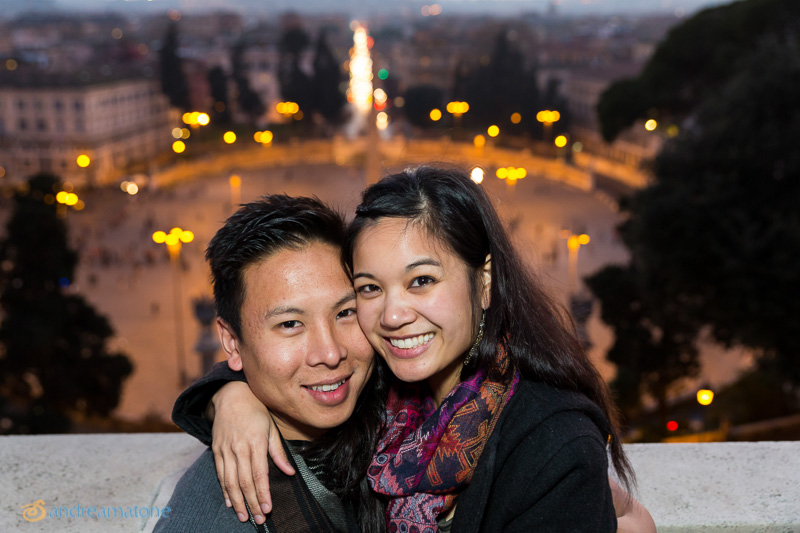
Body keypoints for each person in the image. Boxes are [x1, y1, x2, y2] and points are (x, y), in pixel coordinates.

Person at [177, 166, 656, 532]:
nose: (392, 315)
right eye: (369, 290)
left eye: (422, 280)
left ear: (483, 280)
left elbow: (614, 502)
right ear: (232, 342)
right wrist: (228, 395)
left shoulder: (550, 441)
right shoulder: (378, 403)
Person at [154, 195, 388, 532]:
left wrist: (225, 393)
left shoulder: (398, 415)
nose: (331, 352)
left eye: (345, 312)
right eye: (290, 324)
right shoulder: (218, 516)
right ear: (232, 342)